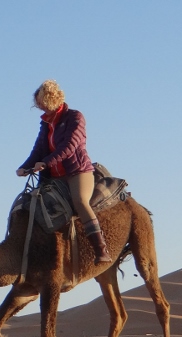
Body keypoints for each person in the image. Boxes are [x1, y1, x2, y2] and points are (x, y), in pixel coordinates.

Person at [17, 80, 113, 264]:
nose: (39, 106)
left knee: (80, 201)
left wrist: (45, 163)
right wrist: (25, 167)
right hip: (53, 175)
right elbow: (38, 149)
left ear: (50, 99)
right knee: (35, 204)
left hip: (77, 170)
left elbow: (69, 146)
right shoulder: (46, 124)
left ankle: (101, 250)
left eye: (41, 102)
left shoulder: (75, 117)